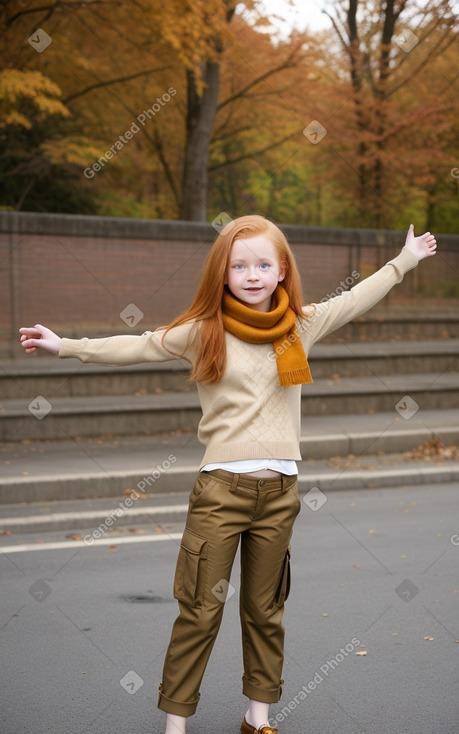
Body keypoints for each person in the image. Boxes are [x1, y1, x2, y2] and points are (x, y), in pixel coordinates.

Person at [19, 216, 437, 734]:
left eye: (263, 264)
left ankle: (257, 717)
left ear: (282, 270)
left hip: (280, 492)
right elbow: (140, 345)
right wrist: (66, 345)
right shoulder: (204, 330)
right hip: (220, 491)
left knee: (265, 612)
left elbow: (356, 300)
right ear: (223, 273)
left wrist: (405, 261)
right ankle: (176, 724)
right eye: (239, 265)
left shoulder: (298, 326)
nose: (252, 274)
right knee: (199, 611)